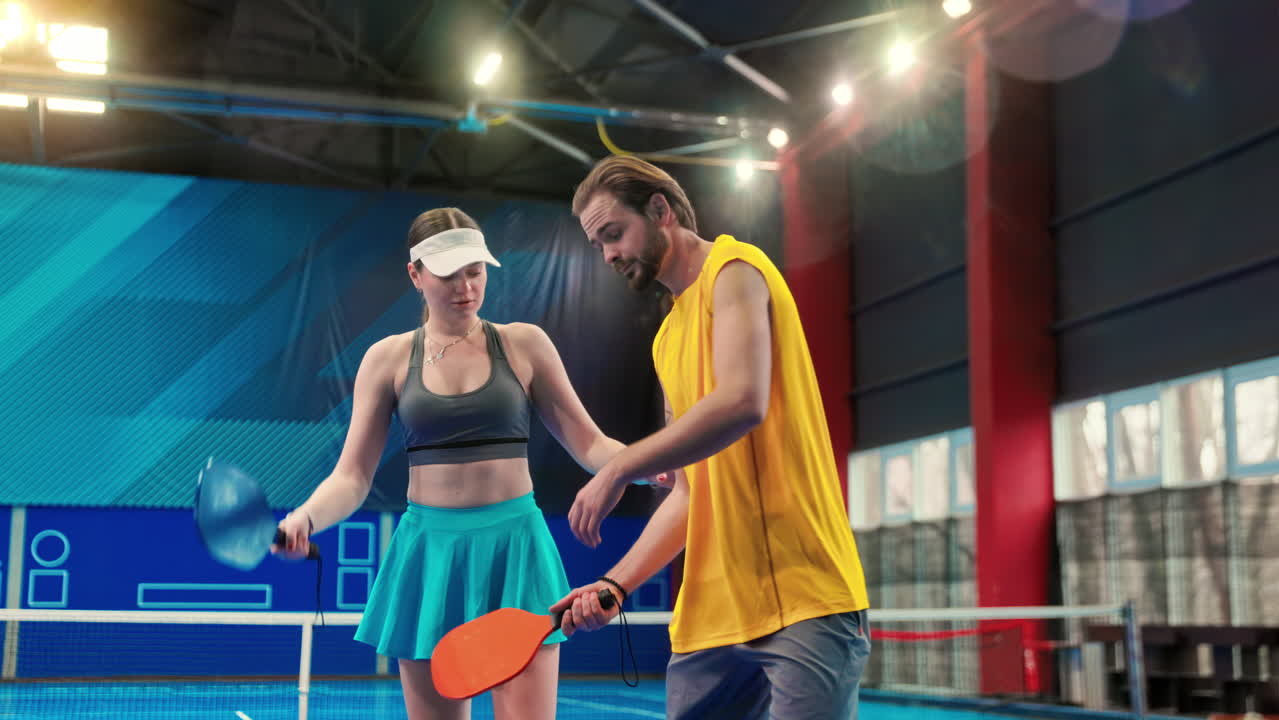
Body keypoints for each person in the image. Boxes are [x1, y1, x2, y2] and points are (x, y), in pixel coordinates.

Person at [275, 207, 636, 720]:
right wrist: (304, 519)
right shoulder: (388, 358)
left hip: (517, 552)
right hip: (429, 558)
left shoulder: (525, 343)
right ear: (415, 275)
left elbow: (592, 445)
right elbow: (352, 478)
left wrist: (647, 463)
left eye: (476, 271)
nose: (465, 286)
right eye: (448, 274)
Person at [551, 156, 872, 719]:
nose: (608, 255)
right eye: (598, 244)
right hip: (711, 616)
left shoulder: (736, 269)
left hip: (804, 598)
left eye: (613, 234)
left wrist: (619, 467)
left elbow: (742, 401)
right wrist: (614, 585)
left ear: (660, 210)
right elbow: (690, 491)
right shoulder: (667, 338)